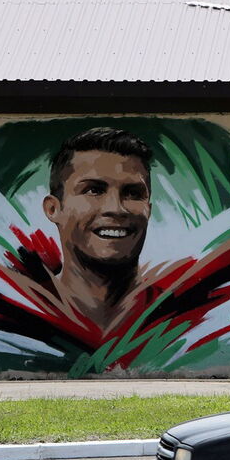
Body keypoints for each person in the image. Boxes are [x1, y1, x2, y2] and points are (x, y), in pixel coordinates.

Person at [43, 128, 152, 327]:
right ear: (53, 209)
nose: (116, 208)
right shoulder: (9, 320)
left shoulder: (190, 321)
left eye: (133, 193)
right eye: (94, 190)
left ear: (149, 210)